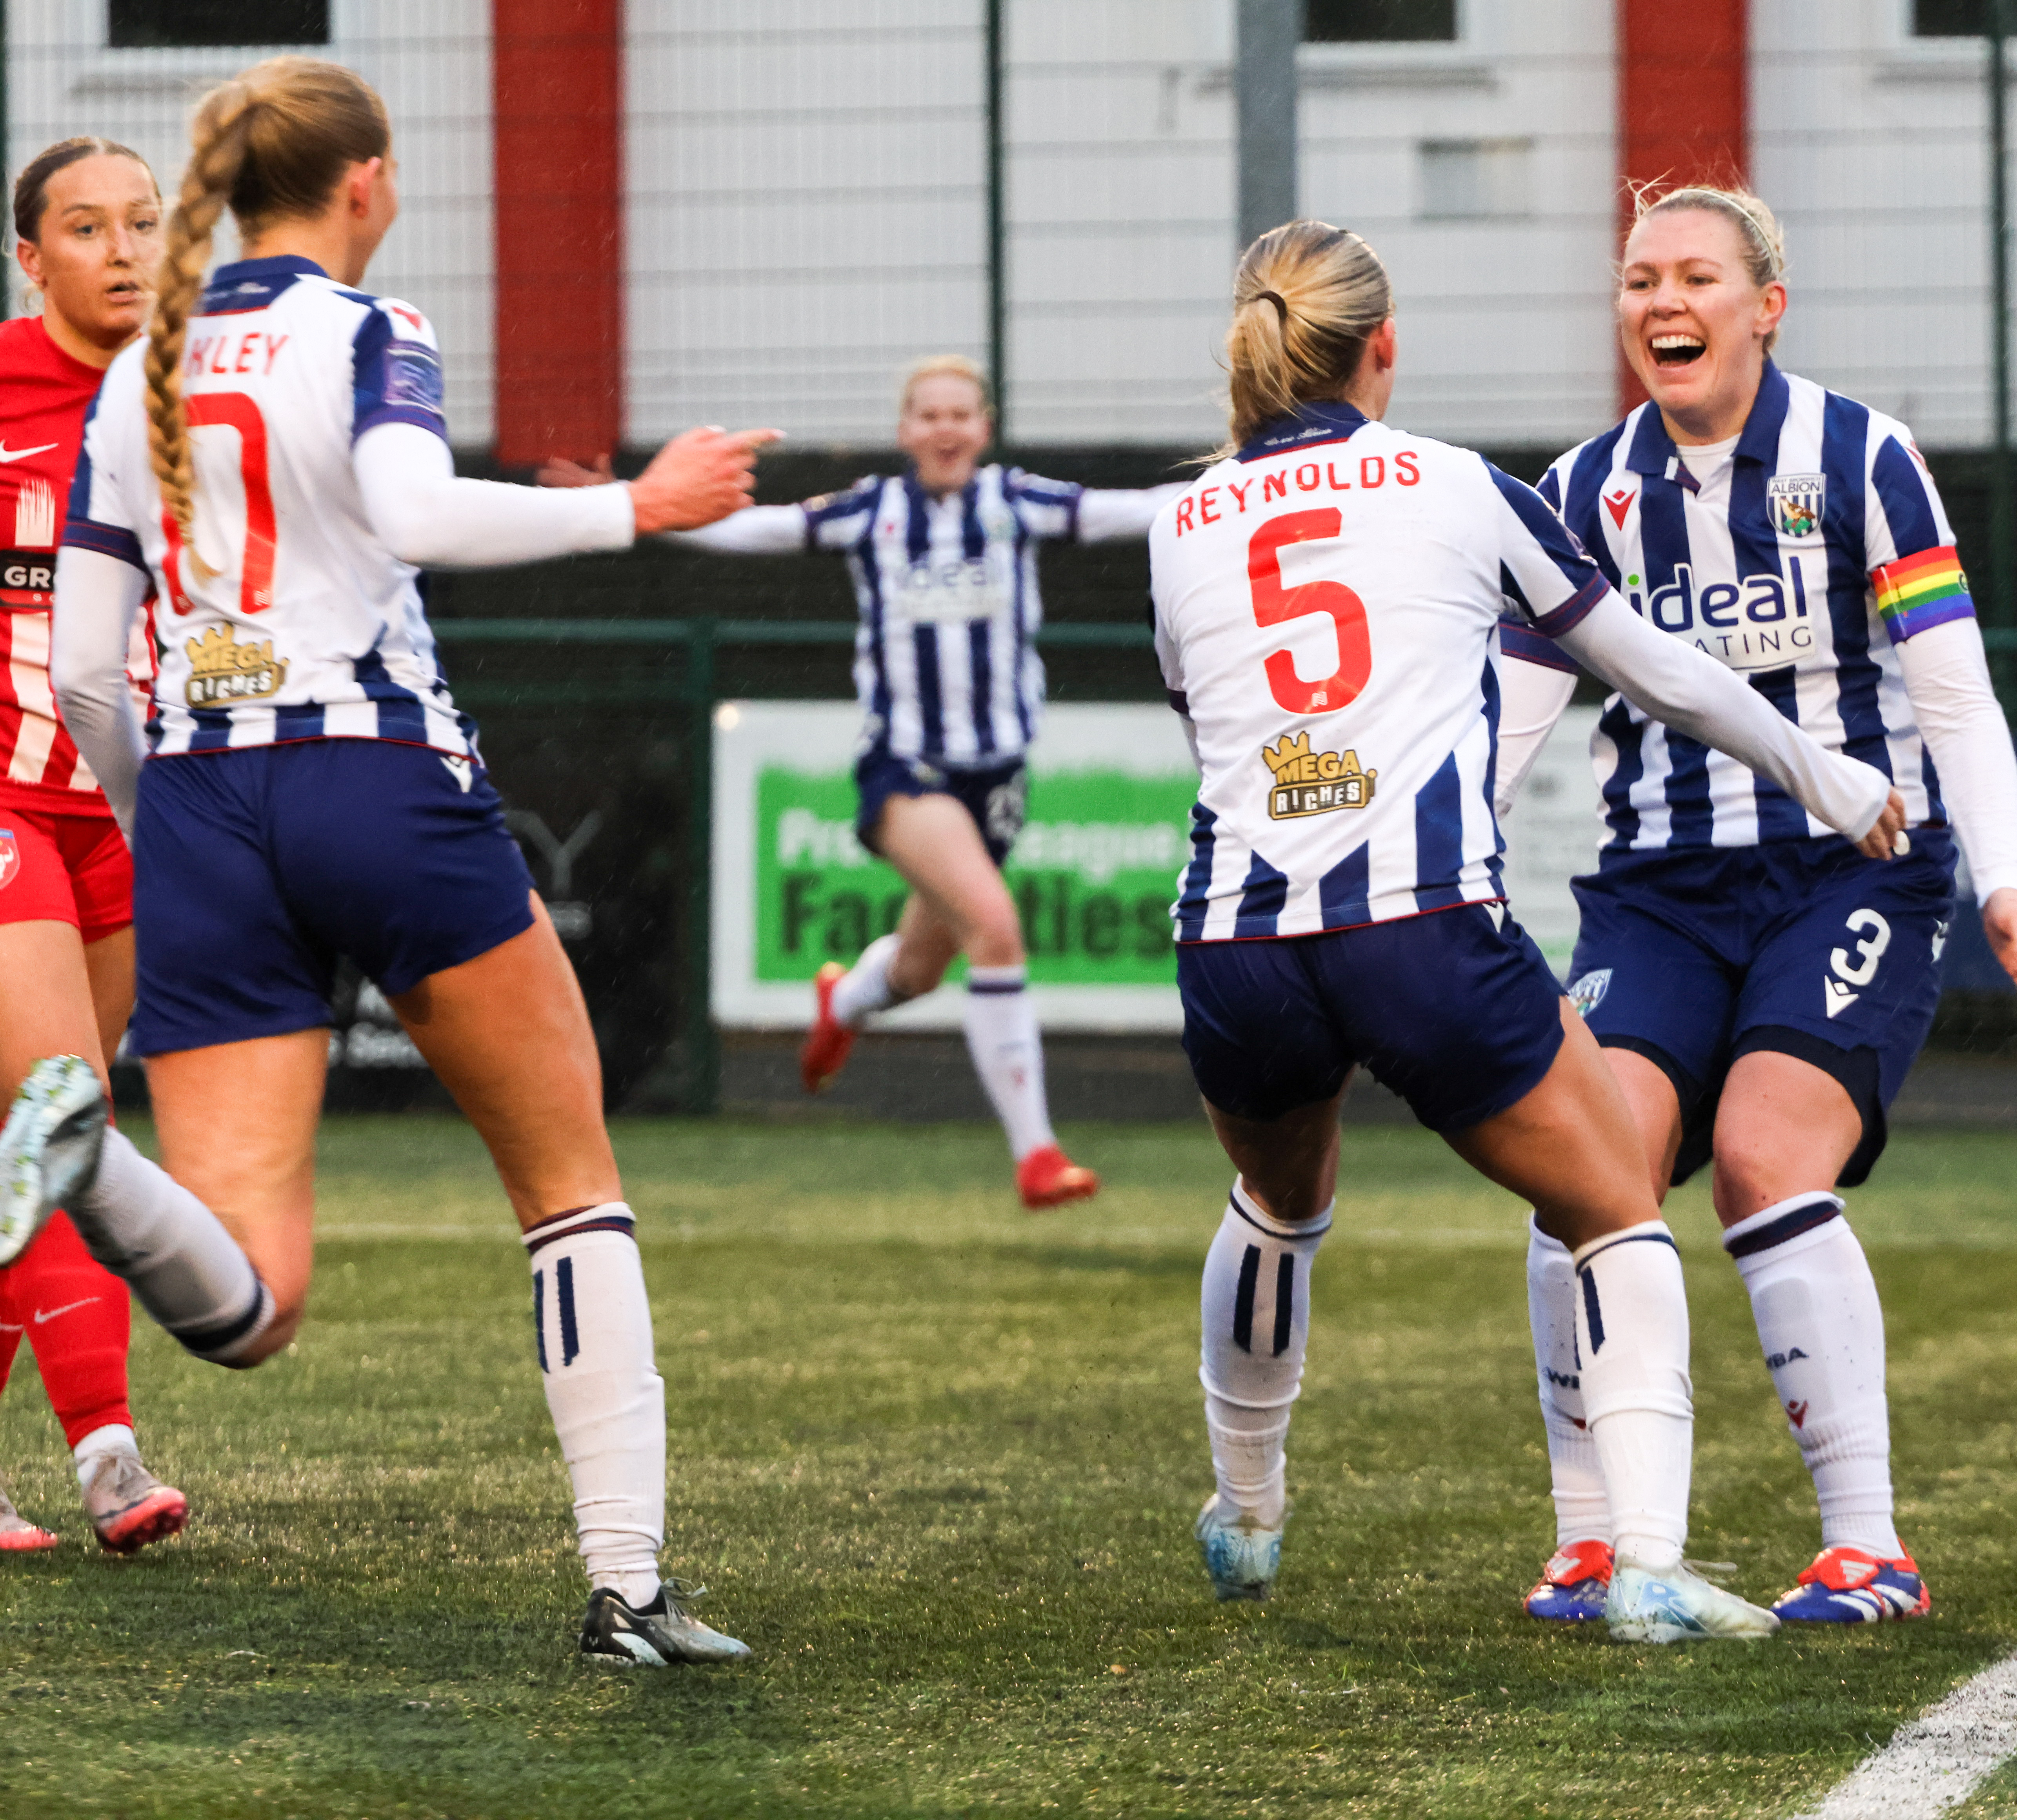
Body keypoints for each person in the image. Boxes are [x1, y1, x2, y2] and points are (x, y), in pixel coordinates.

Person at [11, 57, 773, 1666]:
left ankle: (93, 1166)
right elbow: (413, 513)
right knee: (569, 1184)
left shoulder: (134, 367)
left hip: (206, 802)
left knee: (253, 1304)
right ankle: (625, 1588)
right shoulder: (373, 328)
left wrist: (179, 826)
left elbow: (85, 673)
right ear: (365, 183)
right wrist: (641, 504)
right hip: (375, 775)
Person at [1152, 219, 1915, 1643]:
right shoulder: (1460, 484)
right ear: (1386, 348)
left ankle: (1246, 1513)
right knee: (1616, 1207)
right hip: (1421, 931)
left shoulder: (1179, 518)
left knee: (1277, 1205)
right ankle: (1644, 1563)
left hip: (1238, 942)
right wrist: (1829, 773)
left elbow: (1212, 722)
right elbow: (1658, 672)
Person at [1490, 184, 2017, 1627]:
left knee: (1759, 1157)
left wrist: (2006, 881)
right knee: (1584, 1165)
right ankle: (1589, 1540)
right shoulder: (1581, 491)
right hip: (1658, 893)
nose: (1661, 303)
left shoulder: (1866, 460)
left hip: (1848, 872)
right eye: (1638, 280)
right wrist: (1436, 867)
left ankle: (1866, 1544)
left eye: (1694, 276)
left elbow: (1952, 695)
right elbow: (1504, 719)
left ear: (1766, 305)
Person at [581, 356, 1183, 1210]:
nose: (945, 429)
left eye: (960, 415)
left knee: (918, 969)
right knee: (998, 932)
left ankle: (848, 999)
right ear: (906, 432)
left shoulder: (1016, 503)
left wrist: (1260, 480)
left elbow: (1132, 512)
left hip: (998, 774)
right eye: (928, 415)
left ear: (984, 427)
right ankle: (1038, 1154)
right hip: (906, 766)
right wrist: (637, 509)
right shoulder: (877, 511)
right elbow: (764, 529)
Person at [0, 136, 189, 1556]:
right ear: (32, 257)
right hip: (5, 806)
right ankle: (108, 1451)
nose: (121, 251)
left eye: (144, 223)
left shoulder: (197, 396)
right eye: (85, 226)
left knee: (50, 1145)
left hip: (130, 815)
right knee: (66, 1116)